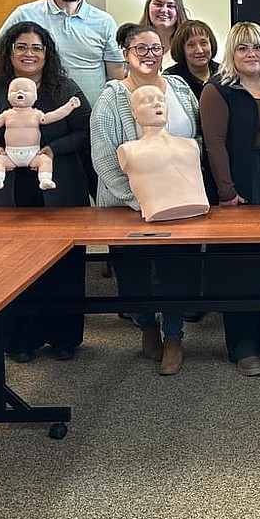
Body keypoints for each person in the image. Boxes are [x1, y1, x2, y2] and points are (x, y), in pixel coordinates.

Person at [0, 21, 89, 363]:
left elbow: (84, 131)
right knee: (13, 266)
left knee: (64, 264)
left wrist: (52, 150)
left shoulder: (64, 89)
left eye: (36, 48)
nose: (29, 54)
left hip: (57, 186)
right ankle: (20, 339)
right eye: (21, 47)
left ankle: (64, 338)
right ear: (9, 52)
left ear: (47, 53)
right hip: (9, 193)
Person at [91, 23, 203, 375]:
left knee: (176, 269)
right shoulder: (112, 96)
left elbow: (196, 136)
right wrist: (137, 200)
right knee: (133, 271)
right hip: (128, 206)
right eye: (142, 48)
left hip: (177, 202)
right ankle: (147, 328)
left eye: (156, 48)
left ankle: (173, 336)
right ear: (126, 52)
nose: (150, 55)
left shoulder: (181, 88)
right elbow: (104, 156)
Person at [200, 21, 260, 376]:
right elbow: (215, 144)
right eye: (243, 48)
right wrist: (227, 191)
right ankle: (243, 345)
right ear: (231, 53)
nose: (251, 54)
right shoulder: (218, 90)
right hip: (240, 180)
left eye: (257, 47)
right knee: (240, 265)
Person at [118, 83, 210, 222]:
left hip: (199, 209)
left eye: (161, 100)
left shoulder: (191, 145)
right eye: (146, 101)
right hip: (157, 212)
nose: (157, 104)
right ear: (133, 112)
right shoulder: (128, 150)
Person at [165, 18, 219, 100]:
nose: (199, 50)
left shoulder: (225, 74)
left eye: (203, 43)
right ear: (181, 49)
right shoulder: (171, 79)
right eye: (191, 45)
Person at [139, 0, 190, 68]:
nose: (164, 10)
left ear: (179, 10)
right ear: (148, 7)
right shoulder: (134, 42)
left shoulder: (189, 43)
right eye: (158, 5)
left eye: (170, 6)